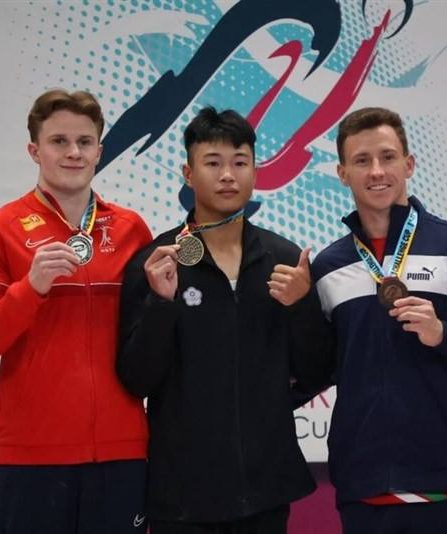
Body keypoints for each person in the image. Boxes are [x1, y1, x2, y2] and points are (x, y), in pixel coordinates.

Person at [311, 107, 447, 534]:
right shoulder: (328, 266)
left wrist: (445, 334)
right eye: (361, 161)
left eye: (388, 157)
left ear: (409, 164)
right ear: (341, 173)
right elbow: (315, 368)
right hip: (364, 487)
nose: (377, 171)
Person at [117, 107, 333, 534]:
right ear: (187, 172)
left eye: (240, 162)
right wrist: (162, 304)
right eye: (212, 163)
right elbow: (135, 378)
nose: (228, 176)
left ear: (255, 171)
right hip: (182, 497)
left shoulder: (285, 260)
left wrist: (300, 307)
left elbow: (321, 368)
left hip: (267, 491)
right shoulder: (156, 262)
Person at [0, 89, 152, 533]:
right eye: (59, 141)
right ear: (34, 150)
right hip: (33, 458)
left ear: (100, 150)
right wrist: (31, 289)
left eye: (84, 141)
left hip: (123, 455)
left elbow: (153, 339)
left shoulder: (132, 230)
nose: (73, 152)